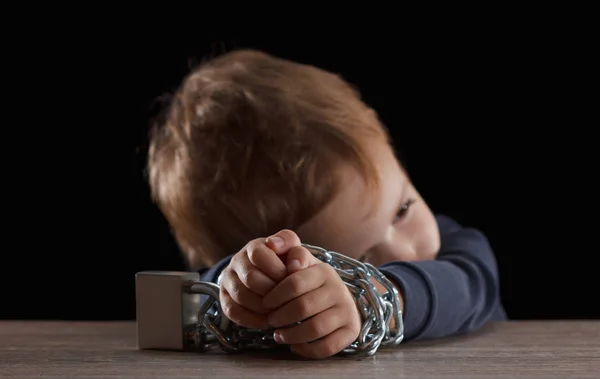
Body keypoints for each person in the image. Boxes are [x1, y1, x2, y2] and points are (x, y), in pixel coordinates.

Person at [147, 49, 506, 359]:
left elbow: (466, 288)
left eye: (402, 210)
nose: (407, 250)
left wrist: (371, 300)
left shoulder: (463, 253)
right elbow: (204, 291)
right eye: (358, 263)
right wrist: (245, 284)